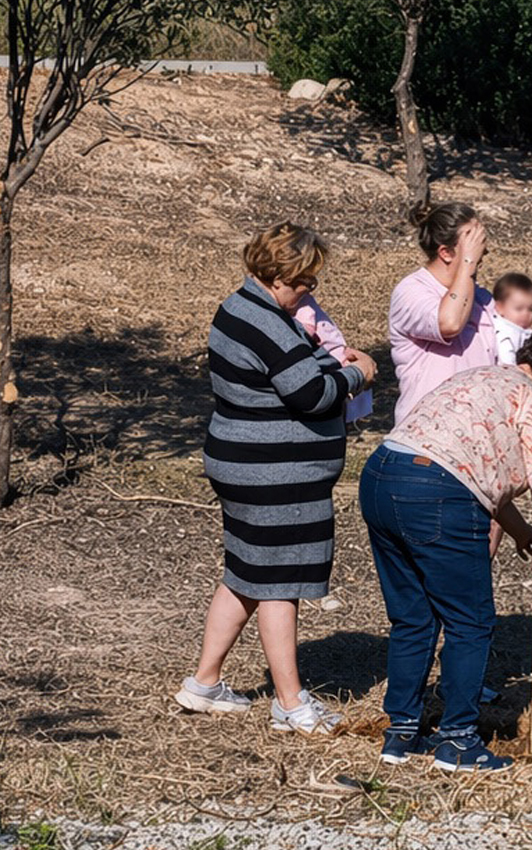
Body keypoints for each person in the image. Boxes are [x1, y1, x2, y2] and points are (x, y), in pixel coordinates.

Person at [358, 323, 532, 773]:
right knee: (471, 621)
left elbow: (479, 472)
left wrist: (522, 532)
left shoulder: (482, 375)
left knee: (414, 615)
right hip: (437, 493)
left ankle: (401, 732)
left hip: (382, 476)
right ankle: (459, 740)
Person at [174, 222, 377, 734]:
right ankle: (290, 703)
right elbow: (312, 394)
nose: (310, 289)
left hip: (246, 463)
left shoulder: (239, 307)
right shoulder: (265, 321)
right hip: (275, 474)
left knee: (246, 573)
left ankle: (204, 683)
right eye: (305, 280)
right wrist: (359, 373)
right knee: (280, 583)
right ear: (279, 276)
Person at [387, 203, 496, 425]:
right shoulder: (411, 290)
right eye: (471, 241)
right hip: (425, 432)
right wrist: (468, 262)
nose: (482, 249)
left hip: (475, 432)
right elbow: (449, 323)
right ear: (445, 253)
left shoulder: (482, 298)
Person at [293, 293, 374, 424]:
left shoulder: (303, 300)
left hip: (340, 371)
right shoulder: (299, 304)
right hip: (331, 374)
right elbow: (304, 334)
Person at [491, 272, 532, 366]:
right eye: (519, 309)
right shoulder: (505, 334)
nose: (526, 315)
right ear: (499, 307)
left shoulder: (520, 331)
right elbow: (507, 364)